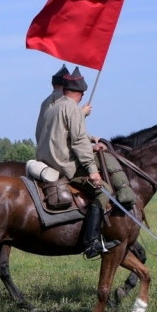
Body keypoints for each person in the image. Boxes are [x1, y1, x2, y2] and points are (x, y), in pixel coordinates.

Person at [35, 67, 120, 259]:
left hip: (45, 161)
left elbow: (55, 133)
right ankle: (91, 242)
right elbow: (79, 142)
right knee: (103, 190)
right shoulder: (71, 108)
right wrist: (92, 170)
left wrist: (88, 135)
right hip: (65, 166)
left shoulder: (51, 106)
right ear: (81, 94)